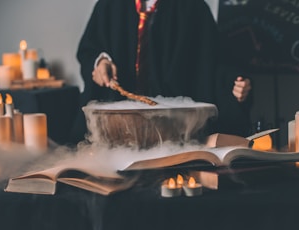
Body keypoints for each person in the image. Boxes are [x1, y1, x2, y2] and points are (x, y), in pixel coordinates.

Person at [70, 0, 252, 144]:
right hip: (118, 129)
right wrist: (99, 62)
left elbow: (214, 62)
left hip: (174, 128)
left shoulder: (193, 8)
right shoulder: (109, 6)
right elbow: (89, 49)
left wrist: (233, 85)